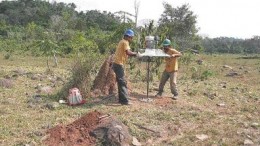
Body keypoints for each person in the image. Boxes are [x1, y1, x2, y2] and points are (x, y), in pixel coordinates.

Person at [112, 29, 140, 105]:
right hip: (118, 64)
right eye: (131, 37)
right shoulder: (125, 42)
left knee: (120, 82)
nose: (132, 39)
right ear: (128, 36)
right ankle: (125, 101)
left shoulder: (122, 41)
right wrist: (136, 54)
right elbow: (128, 52)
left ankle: (121, 100)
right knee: (122, 82)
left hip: (116, 64)